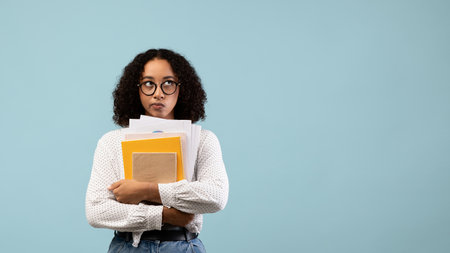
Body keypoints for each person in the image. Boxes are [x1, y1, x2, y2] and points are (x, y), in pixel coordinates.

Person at [85, 48, 229, 253]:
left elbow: (216, 196)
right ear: (136, 89)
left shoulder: (203, 140)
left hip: (182, 246)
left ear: (182, 88)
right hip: (127, 247)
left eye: (168, 83)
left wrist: (147, 191)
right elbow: (96, 211)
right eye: (149, 84)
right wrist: (164, 215)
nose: (158, 93)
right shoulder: (111, 142)